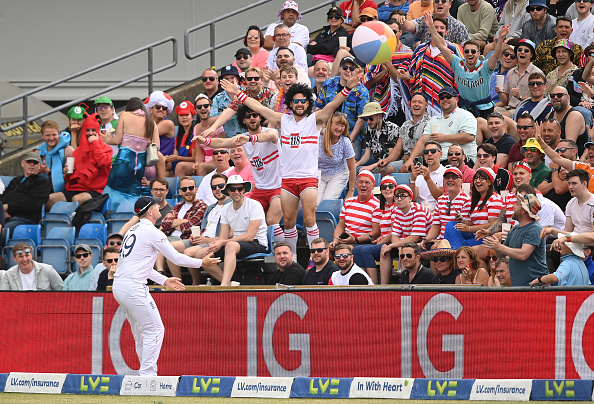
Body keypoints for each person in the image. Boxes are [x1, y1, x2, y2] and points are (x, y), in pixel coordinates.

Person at [226, 76, 361, 252]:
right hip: (288, 179)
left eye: (303, 101)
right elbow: (258, 107)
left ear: (307, 103)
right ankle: (294, 259)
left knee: (309, 219)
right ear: (290, 103)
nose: (299, 104)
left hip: (308, 178)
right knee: (288, 222)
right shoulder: (283, 120)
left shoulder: (315, 120)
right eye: (295, 101)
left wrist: (347, 89)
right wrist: (239, 93)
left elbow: (333, 105)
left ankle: (315, 258)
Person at [113, 196, 218, 376]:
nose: (159, 208)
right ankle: (147, 376)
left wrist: (164, 280)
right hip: (133, 287)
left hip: (120, 286)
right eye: (155, 205)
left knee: (141, 333)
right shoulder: (152, 231)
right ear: (149, 211)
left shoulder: (133, 230)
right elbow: (176, 258)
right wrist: (202, 262)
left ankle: (144, 375)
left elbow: (138, 265)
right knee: (154, 330)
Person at [195, 105, 284, 242]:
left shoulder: (269, 132)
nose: (252, 118)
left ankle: (283, 251)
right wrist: (206, 141)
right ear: (243, 120)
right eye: (248, 116)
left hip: (278, 187)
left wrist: (249, 139)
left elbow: (270, 136)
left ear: (260, 116)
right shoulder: (243, 138)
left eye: (255, 115)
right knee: (244, 219)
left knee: (272, 220)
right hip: (260, 190)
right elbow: (222, 141)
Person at [185, 175, 268, 286]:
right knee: (200, 253)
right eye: (233, 189)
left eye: (240, 189)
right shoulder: (226, 209)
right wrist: (215, 244)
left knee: (230, 245)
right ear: (228, 190)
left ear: (244, 189)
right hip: (235, 243)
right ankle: (228, 283)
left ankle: (224, 286)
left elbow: (249, 236)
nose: (236, 192)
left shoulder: (254, 205)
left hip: (257, 242)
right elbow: (223, 236)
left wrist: (222, 242)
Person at [426, 14, 508, 118]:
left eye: (473, 51)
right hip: (464, 109)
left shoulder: (485, 66)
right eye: (467, 51)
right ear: (463, 53)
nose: (470, 53)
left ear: (479, 53)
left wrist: (500, 38)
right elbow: (441, 46)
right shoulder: (457, 63)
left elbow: (496, 54)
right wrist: (432, 28)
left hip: (485, 109)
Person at [47, 113, 113, 210]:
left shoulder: (107, 149)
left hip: (96, 191)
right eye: (88, 130)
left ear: (98, 131)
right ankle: (51, 224)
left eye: (93, 130)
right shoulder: (77, 152)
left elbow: (102, 162)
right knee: (50, 199)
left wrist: (95, 143)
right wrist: (67, 172)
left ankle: (74, 224)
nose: (90, 133)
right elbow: (69, 178)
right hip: (76, 189)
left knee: (77, 199)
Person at [102, 97, 158, 210]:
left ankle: (112, 217)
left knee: (113, 191)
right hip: (140, 164)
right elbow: (157, 147)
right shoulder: (151, 122)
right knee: (133, 194)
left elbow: (117, 140)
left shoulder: (125, 115)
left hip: (124, 160)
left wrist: (107, 139)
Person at [398, 18, 463, 115]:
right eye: (435, 27)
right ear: (430, 30)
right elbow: (413, 75)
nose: (439, 30)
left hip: (446, 100)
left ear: (446, 31)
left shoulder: (454, 49)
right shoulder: (420, 49)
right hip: (424, 102)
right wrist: (404, 74)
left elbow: (462, 73)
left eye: (442, 28)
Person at [483, 191, 547, 286]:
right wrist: (495, 246)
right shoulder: (515, 229)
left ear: (524, 210)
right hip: (519, 285)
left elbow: (523, 254)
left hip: (535, 286)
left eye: (517, 203)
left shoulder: (535, 229)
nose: (513, 206)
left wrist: (500, 247)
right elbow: (501, 254)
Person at [315, 56, 369, 160]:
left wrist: (350, 139)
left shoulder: (362, 90)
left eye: (351, 68)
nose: (348, 70)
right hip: (328, 132)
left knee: (349, 163)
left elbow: (362, 118)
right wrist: (323, 132)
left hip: (351, 133)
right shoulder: (328, 84)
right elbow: (320, 108)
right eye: (345, 67)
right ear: (339, 69)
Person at [363, 19, 413, 127]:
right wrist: (385, 71)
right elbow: (370, 81)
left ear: (400, 32)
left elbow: (399, 79)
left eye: (394, 31)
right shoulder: (376, 52)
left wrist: (388, 65)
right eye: (387, 32)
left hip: (400, 104)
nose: (390, 35)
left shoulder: (408, 53)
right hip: (379, 102)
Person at [380, 184, 432, 283]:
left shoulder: (418, 209)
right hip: (410, 243)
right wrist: (399, 247)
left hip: (426, 242)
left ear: (410, 199)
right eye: (397, 196)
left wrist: (397, 246)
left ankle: (406, 286)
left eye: (403, 196)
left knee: (406, 252)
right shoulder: (398, 211)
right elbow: (394, 235)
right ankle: (383, 287)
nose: (399, 199)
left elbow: (415, 237)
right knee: (385, 249)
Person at [445, 167, 504, 249]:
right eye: (476, 178)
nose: (478, 181)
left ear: (490, 182)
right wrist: (463, 221)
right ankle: (456, 249)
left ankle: (456, 251)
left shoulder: (494, 198)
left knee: (462, 244)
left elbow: (492, 224)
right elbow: (474, 223)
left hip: (486, 236)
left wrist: (469, 228)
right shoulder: (476, 200)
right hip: (474, 234)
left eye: (482, 178)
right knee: (451, 225)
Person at [0, 152, 52, 246]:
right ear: (22, 163)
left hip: (25, 218)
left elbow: (33, 203)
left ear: (39, 166)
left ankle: (2, 258)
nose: (32, 164)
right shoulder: (16, 180)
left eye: (35, 162)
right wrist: (2, 211)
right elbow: (4, 196)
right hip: (5, 216)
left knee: (5, 230)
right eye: (29, 161)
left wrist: (8, 207)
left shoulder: (42, 182)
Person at [354, 176, 397, 283]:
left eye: (390, 186)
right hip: (385, 241)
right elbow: (382, 231)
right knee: (356, 250)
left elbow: (394, 231)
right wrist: (380, 238)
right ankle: (363, 283)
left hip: (395, 242)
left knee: (365, 250)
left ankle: (374, 285)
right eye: (384, 187)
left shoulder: (397, 206)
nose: (387, 189)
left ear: (396, 188)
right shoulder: (382, 208)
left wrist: (381, 241)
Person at [331, 170, 380, 248]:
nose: (363, 185)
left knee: (344, 251)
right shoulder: (348, 202)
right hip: (346, 241)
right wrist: (335, 241)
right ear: (356, 184)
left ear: (373, 186)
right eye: (360, 182)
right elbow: (340, 226)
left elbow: (375, 233)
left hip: (363, 243)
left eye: (367, 182)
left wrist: (355, 240)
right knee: (324, 252)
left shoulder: (377, 205)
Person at [497, 39, 544, 116]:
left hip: (526, 110)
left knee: (497, 116)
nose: (522, 52)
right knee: (489, 113)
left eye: (526, 51)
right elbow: (505, 102)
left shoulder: (537, 73)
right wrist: (500, 93)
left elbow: (539, 100)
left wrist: (520, 97)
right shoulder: (510, 72)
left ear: (531, 55)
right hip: (508, 108)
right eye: (519, 50)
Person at [424, 166, 471, 243]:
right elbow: (436, 225)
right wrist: (427, 239)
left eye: (454, 177)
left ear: (461, 181)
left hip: (457, 241)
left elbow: (465, 228)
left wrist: (442, 242)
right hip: (440, 240)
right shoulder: (440, 200)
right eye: (447, 177)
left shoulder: (467, 200)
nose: (450, 180)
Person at [318, 112, 356, 203]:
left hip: (338, 174)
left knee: (326, 202)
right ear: (330, 123)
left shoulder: (345, 142)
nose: (339, 128)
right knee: (314, 204)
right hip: (320, 174)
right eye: (337, 124)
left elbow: (352, 168)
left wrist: (351, 191)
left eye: (342, 126)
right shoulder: (319, 137)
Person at [356, 102, 400, 173]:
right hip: (377, 164)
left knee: (377, 171)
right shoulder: (370, 129)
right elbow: (367, 154)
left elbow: (391, 157)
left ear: (380, 116)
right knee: (356, 169)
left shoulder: (392, 128)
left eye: (371, 118)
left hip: (390, 165)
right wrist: (357, 164)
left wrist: (372, 166)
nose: (368, 122)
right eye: (365, 119)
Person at [546, 86, 590, 156]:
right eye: (552, 96)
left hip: (573, 162)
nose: (556, 98)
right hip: (554, 157)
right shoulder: (549, 116)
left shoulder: (574, 116)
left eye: (560, 95)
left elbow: (567, 149)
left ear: (568, 97)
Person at [402, 0, 471, 45]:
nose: (440, 3)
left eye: (443, 1)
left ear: (449, 5)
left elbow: (466, 49)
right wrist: (402, 21)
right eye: (437, 1)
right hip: (426, 62)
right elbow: (408, 26)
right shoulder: (426, 20)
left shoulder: (459, 27)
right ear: (433, 4)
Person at [395, 93, 432, 175]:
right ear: (409, 104)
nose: (416, 104)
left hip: (423, 162)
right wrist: (386, 160)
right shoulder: (405, 124)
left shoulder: (431, 122)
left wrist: (410, 160)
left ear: (426, 105)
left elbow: (427, 146)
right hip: (405, 160)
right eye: (414, 102)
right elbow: (397, 150)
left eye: (420, 102)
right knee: (383, 169)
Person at [35, 120, 74, 193]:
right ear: (42, 136)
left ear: (59, 134)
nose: (51, 138)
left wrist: (48, 173)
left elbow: (70, 178)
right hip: (41, 189)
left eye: (54, 135)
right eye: (48, 135)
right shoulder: (38, 152)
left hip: (64, 191)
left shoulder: (69, 151)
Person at [192, 94, 225, 176]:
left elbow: (223, 146)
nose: (203, 108)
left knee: (202, 167)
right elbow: (199, 152)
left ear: (210, 107)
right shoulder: (196, 128)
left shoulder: (217, 125)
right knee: (180, 166)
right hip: (205, 162)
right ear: (196, 110)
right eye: (199, 107)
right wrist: (197, 163)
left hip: (218, 161)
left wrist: (201, 164)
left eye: (206, 106)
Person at [409, 140, 446, 209]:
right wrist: (413, 180)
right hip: (421, 212)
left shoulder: (446, 173)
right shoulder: (420, 173)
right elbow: (412, 198)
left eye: (433, 151)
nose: (429, 154)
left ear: (440, 154)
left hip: (437, 211)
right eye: (426, 152)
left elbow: (440, 198)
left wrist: (428, 179)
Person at [210, 65, 243, 138]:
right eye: (226, 79)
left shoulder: (246, 93)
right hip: (228, 140)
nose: (230, 81)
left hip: (248, 138)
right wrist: (224, 115)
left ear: (238, 79)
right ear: (221, 81)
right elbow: (211, 120)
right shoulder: (217, 98)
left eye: (233, 78)